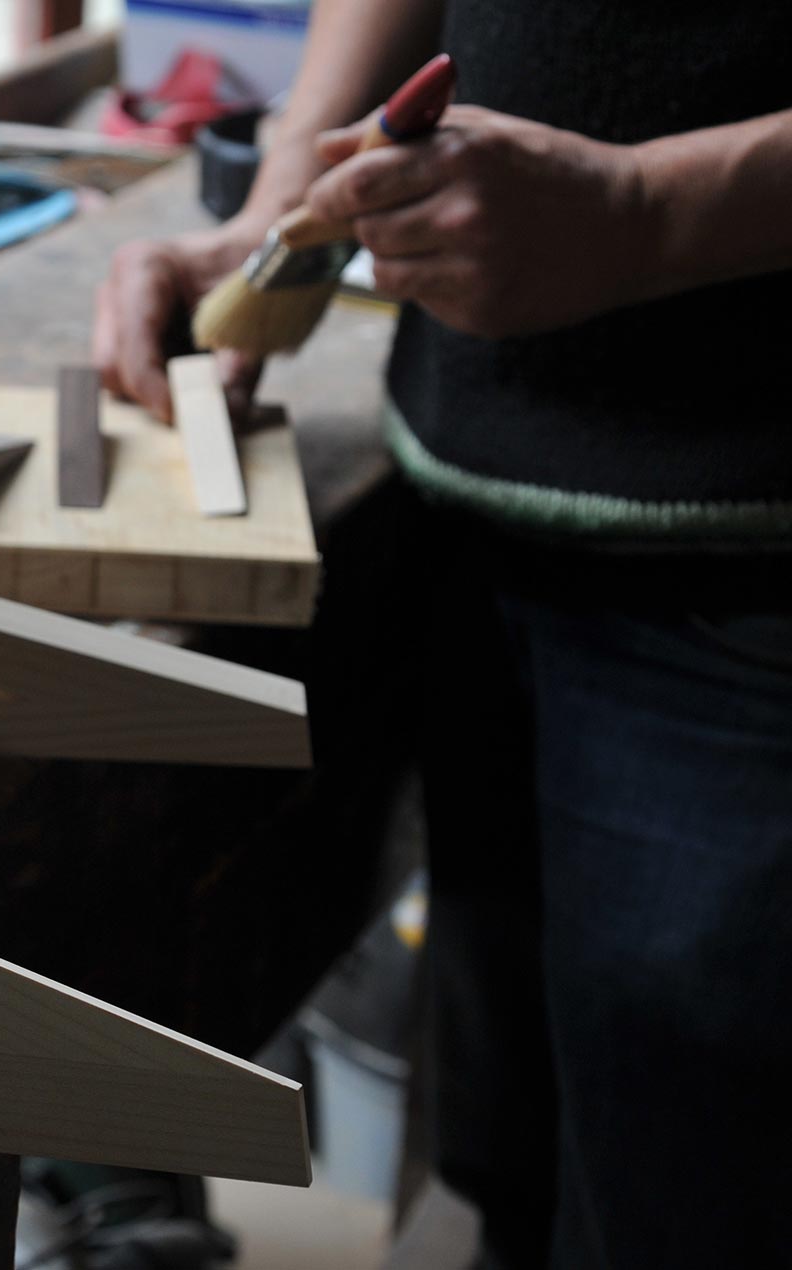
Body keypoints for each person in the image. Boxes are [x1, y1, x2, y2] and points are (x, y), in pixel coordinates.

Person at [93, 3, 792, 1267]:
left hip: (753, 584)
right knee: (514, 1173)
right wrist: (279, 217)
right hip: (475, 504)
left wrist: (653, 210)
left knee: (692, 1215)